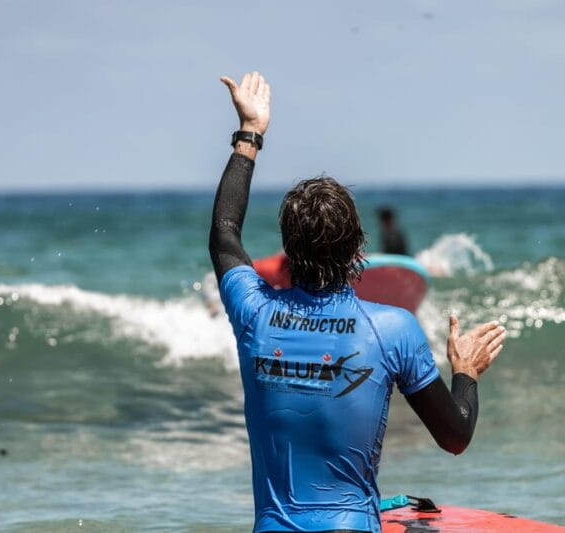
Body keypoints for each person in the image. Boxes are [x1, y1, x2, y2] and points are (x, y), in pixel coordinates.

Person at [209, 71, 505, 533]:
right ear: (357, 249)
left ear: (287, 250)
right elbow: (455, 436)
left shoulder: (254, 313)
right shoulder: (392, 329)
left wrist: (250, 135)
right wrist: (465, 372)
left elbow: (225, 235)